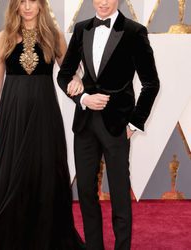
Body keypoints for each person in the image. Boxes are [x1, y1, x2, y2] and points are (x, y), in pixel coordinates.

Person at [0, 0, 85, 249]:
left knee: (45, 169)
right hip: (12, 114)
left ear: (41, 5)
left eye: (32, 1)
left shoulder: (54, 36)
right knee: (14, 172)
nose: (27, 6)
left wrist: (78, 81)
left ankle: (46, 237)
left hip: (45, 114)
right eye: (22, 1)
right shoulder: (5, 37)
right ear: (15, 6)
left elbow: (68, 71)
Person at [57, 0, 160, 249]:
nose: (103, 2)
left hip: (117, 126)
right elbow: (63, 75)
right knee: (85, 191)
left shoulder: (135, 31)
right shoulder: (81, 29)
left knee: (119, 193)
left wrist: (133, 124)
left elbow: (151, 83)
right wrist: (82, 97)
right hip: (84, 126)